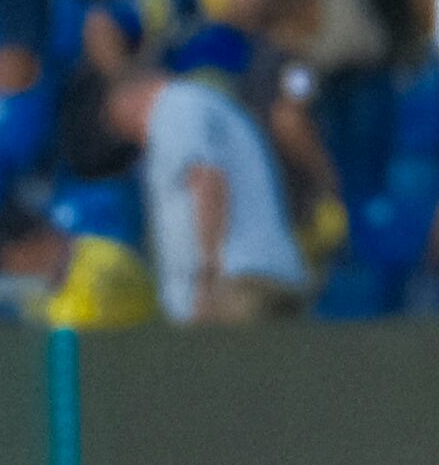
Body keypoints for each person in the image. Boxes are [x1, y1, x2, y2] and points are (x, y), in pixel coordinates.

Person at [125, 56, 309, 322]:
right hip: (275, 269)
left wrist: (207, 277)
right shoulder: (231, 120)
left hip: (241, 281)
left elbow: (208, 178)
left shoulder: (178, 105)